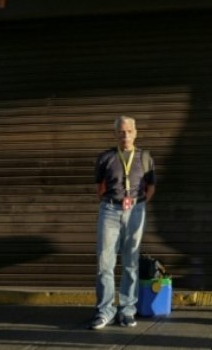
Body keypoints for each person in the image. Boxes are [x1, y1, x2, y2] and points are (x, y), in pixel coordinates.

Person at [90, 116, 157, 330]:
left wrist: (138, 204)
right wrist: (114, 203)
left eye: (129, 131)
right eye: (121, 131)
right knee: (104, 262)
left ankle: (127, 310)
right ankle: (105, 311)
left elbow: (151, 186)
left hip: (136, 210)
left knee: (131, 262)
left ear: (135, 132)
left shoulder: (144, 157)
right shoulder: (106, 157)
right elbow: (99, 187)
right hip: (110, 209)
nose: (125, 135)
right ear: (115, 134)